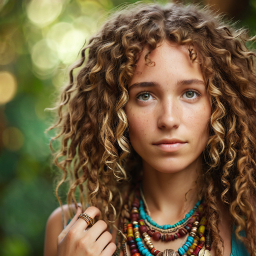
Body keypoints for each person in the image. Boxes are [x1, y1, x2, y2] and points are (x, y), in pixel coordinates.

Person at [44, 2, 256, 256]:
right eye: (145, 96)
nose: (168, 119)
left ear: (220, 103)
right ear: (116, 109)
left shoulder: (250, 224)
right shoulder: (72, 230)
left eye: (190, 93)